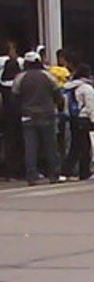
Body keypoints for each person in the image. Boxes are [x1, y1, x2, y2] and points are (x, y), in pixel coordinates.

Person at [12, 52, 62, 185]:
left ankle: (31, 176)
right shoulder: (48, 76)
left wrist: (20, 112)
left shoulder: (20, 78)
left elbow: (15, 98)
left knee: (30, 148)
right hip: (47, 115)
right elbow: (58, 94)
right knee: (50, 146)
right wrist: (59, 108)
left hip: (27, 116)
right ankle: (54, 175)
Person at [61, 63, 94, 181]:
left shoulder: (69, 87)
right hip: (84, 118)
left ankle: (67, 171)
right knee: (84, 146)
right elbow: (92, 106)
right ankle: (84, 172)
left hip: (73, 118)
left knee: (75, 145)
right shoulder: (86, 88)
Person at [1, 41, 25, 179]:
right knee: (20, 142)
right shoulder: (19, 85)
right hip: (19, 115)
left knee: (9, 143)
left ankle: (8, 171)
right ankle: (19, 170)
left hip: (6, 116)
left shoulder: (4, 86)